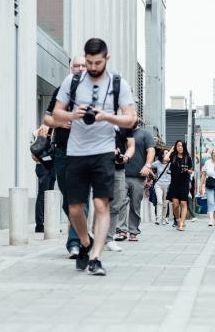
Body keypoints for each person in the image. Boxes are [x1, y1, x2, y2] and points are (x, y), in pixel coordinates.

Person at [53, 38, 137, 275]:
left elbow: (131, 118)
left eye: (97, 62)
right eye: (88, 62)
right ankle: (86, 242)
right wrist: (72, 114)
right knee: (75, 208)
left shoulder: (118, 83)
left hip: (103, 151)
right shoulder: (73, 80)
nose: (92, 67)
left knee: (101, 204)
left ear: (106, 59)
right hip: (76, 152)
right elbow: (55, 114)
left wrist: (106, 117)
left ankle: (96, 257)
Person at [43, 55, 88, 258]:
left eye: (83, 65)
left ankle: (75, 243)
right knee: (68, 199)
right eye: (76, 65)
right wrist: (60, 123)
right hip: (62, 151)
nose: (79, 68)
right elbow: (46, 118)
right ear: (71, 69)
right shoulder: (61, 92)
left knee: (81, 198)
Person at [120, 123, 155, 241]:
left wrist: (148, 166)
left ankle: (133, 231)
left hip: (138, 176)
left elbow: (151, 151)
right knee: (121, 203)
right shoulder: (120, 132)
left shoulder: (145, 134)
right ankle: (122, 230)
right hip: (121, 174)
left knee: (135, 205)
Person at [104, 126, 135, 251]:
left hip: (118, 168)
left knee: (116, 203)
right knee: (100, 202)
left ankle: (109, 239)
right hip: (99, 166)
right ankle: (95, 235)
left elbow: (131, 145)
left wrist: (126, 157)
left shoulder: (123, 124)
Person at [31, 125, 56, 233]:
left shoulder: (56, 130)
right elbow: (34, 152)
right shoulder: (41, 131)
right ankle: (40, 225)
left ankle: (48, 224)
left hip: (51, 166)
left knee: (50, 196)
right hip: (43, 166)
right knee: (43, 195)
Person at [167, 140, 194, 231]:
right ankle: (178, 219)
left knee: (183, 203)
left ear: (184, 147)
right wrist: (171, 150)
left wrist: (188, 171)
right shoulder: (173, 156)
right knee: (175, 205)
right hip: (174, 183)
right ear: (176, 147)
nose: (180, 147)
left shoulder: (187, 157)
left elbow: (191, 169)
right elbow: (165, 159)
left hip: (184, 183)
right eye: (178, 146)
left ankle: (181, 224)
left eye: (182, 146)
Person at [200, 148, 215, 226]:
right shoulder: (207, 162)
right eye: (213, 153)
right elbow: (204, 174)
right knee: (211, 202)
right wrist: (200, 186)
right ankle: (211, 220)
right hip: (209, 184)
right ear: (211, 154)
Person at [152, 149, 171, 225]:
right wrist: (153, 175)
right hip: (158, 185)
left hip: (168, 185)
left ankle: (164, 218)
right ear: (162, 155)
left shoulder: (171, 163)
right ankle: (158, 218)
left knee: (165, 203)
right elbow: (149, 166)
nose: (168, 154)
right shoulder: (158, 163)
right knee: (159, 201)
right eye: (166, 153)